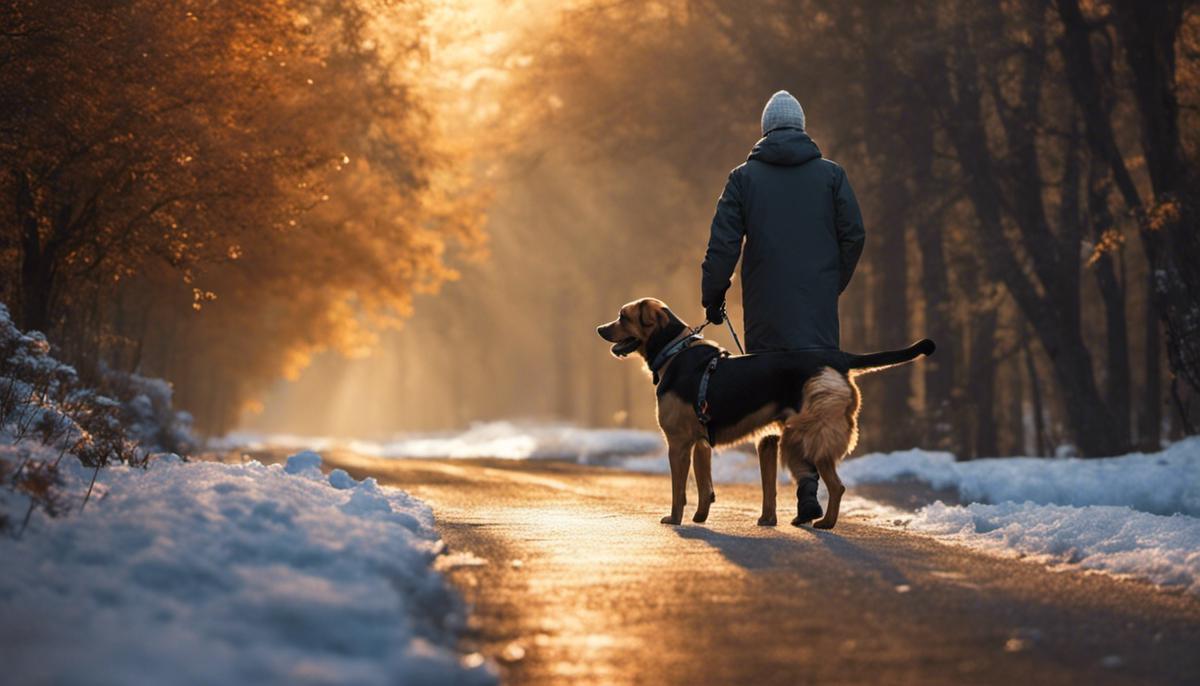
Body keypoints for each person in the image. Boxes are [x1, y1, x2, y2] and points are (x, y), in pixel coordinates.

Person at [700, 89, 865, 525]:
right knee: (813, 399)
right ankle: (810, 482)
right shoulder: (832, 176)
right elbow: (854, 236)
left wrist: (712, 296)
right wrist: (832, 283)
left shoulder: (743, 179)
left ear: (765, 131)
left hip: (767, 315)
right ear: (803, 128)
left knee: (777, 406)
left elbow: (722, 244)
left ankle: (795, 489)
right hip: (817, 315)